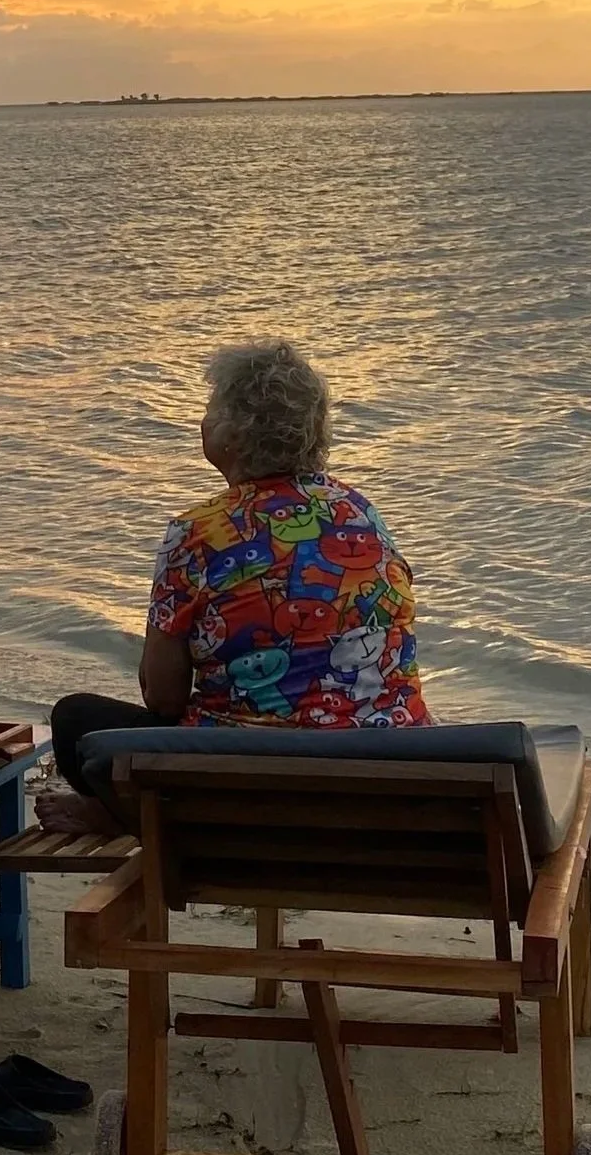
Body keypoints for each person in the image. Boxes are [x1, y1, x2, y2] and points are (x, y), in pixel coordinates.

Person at [38, 339, 430, 835]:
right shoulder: (359, 512)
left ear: (230, 434)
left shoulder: (197, 533)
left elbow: (163, 698)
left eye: (210, 407)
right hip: (382, 782)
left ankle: (126, 818)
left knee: (76, 721)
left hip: (249, 798)